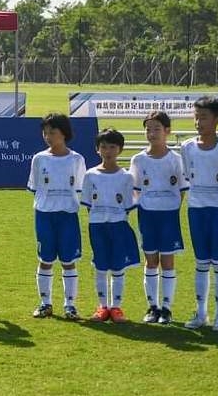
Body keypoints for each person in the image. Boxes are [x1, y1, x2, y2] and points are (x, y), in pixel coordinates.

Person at [181, 96, 218, 331]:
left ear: (217, 119)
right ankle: (201, 313)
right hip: (197, 209)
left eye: (203, 117)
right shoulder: (187, 147)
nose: (198, 122)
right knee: (201, 262)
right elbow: (188, 175)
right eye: (196, 117)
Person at [129, 111, 186, 325]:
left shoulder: (176, 159)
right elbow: (134, 189)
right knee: (151, 261)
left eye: (157, 129)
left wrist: (172, 207)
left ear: (167, 132)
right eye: (148, 129)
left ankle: (167, 308)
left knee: (168, 262)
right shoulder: (138, 159)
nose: (152, 133)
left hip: (169, 215)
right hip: (147, 215)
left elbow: (182, 190)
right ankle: (152, 307)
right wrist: (145, 204)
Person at [28, 113, 86, 320]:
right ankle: (45, 303)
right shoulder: (39, 158)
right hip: (44, 215)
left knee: (68, 260)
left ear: (64, 133)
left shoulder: (76, 159)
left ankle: (70, 305)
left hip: (68, 215)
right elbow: (35, 187)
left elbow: (81, 189)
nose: (48, 136)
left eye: (52, 132)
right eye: (45, 132)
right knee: (45, 260)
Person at [82, 128, 139, 323]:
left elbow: (128, 205)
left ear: (120, 150)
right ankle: (102, 306)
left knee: (117, 266)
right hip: (97, 226)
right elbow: (88, 204)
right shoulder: (90, 175)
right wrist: (98, 218)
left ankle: (116, 307)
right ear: (97, 149)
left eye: (112, 147)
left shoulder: (126, 177)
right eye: (103, 147)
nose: (107, 151)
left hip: (118, 225)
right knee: (100, 266)